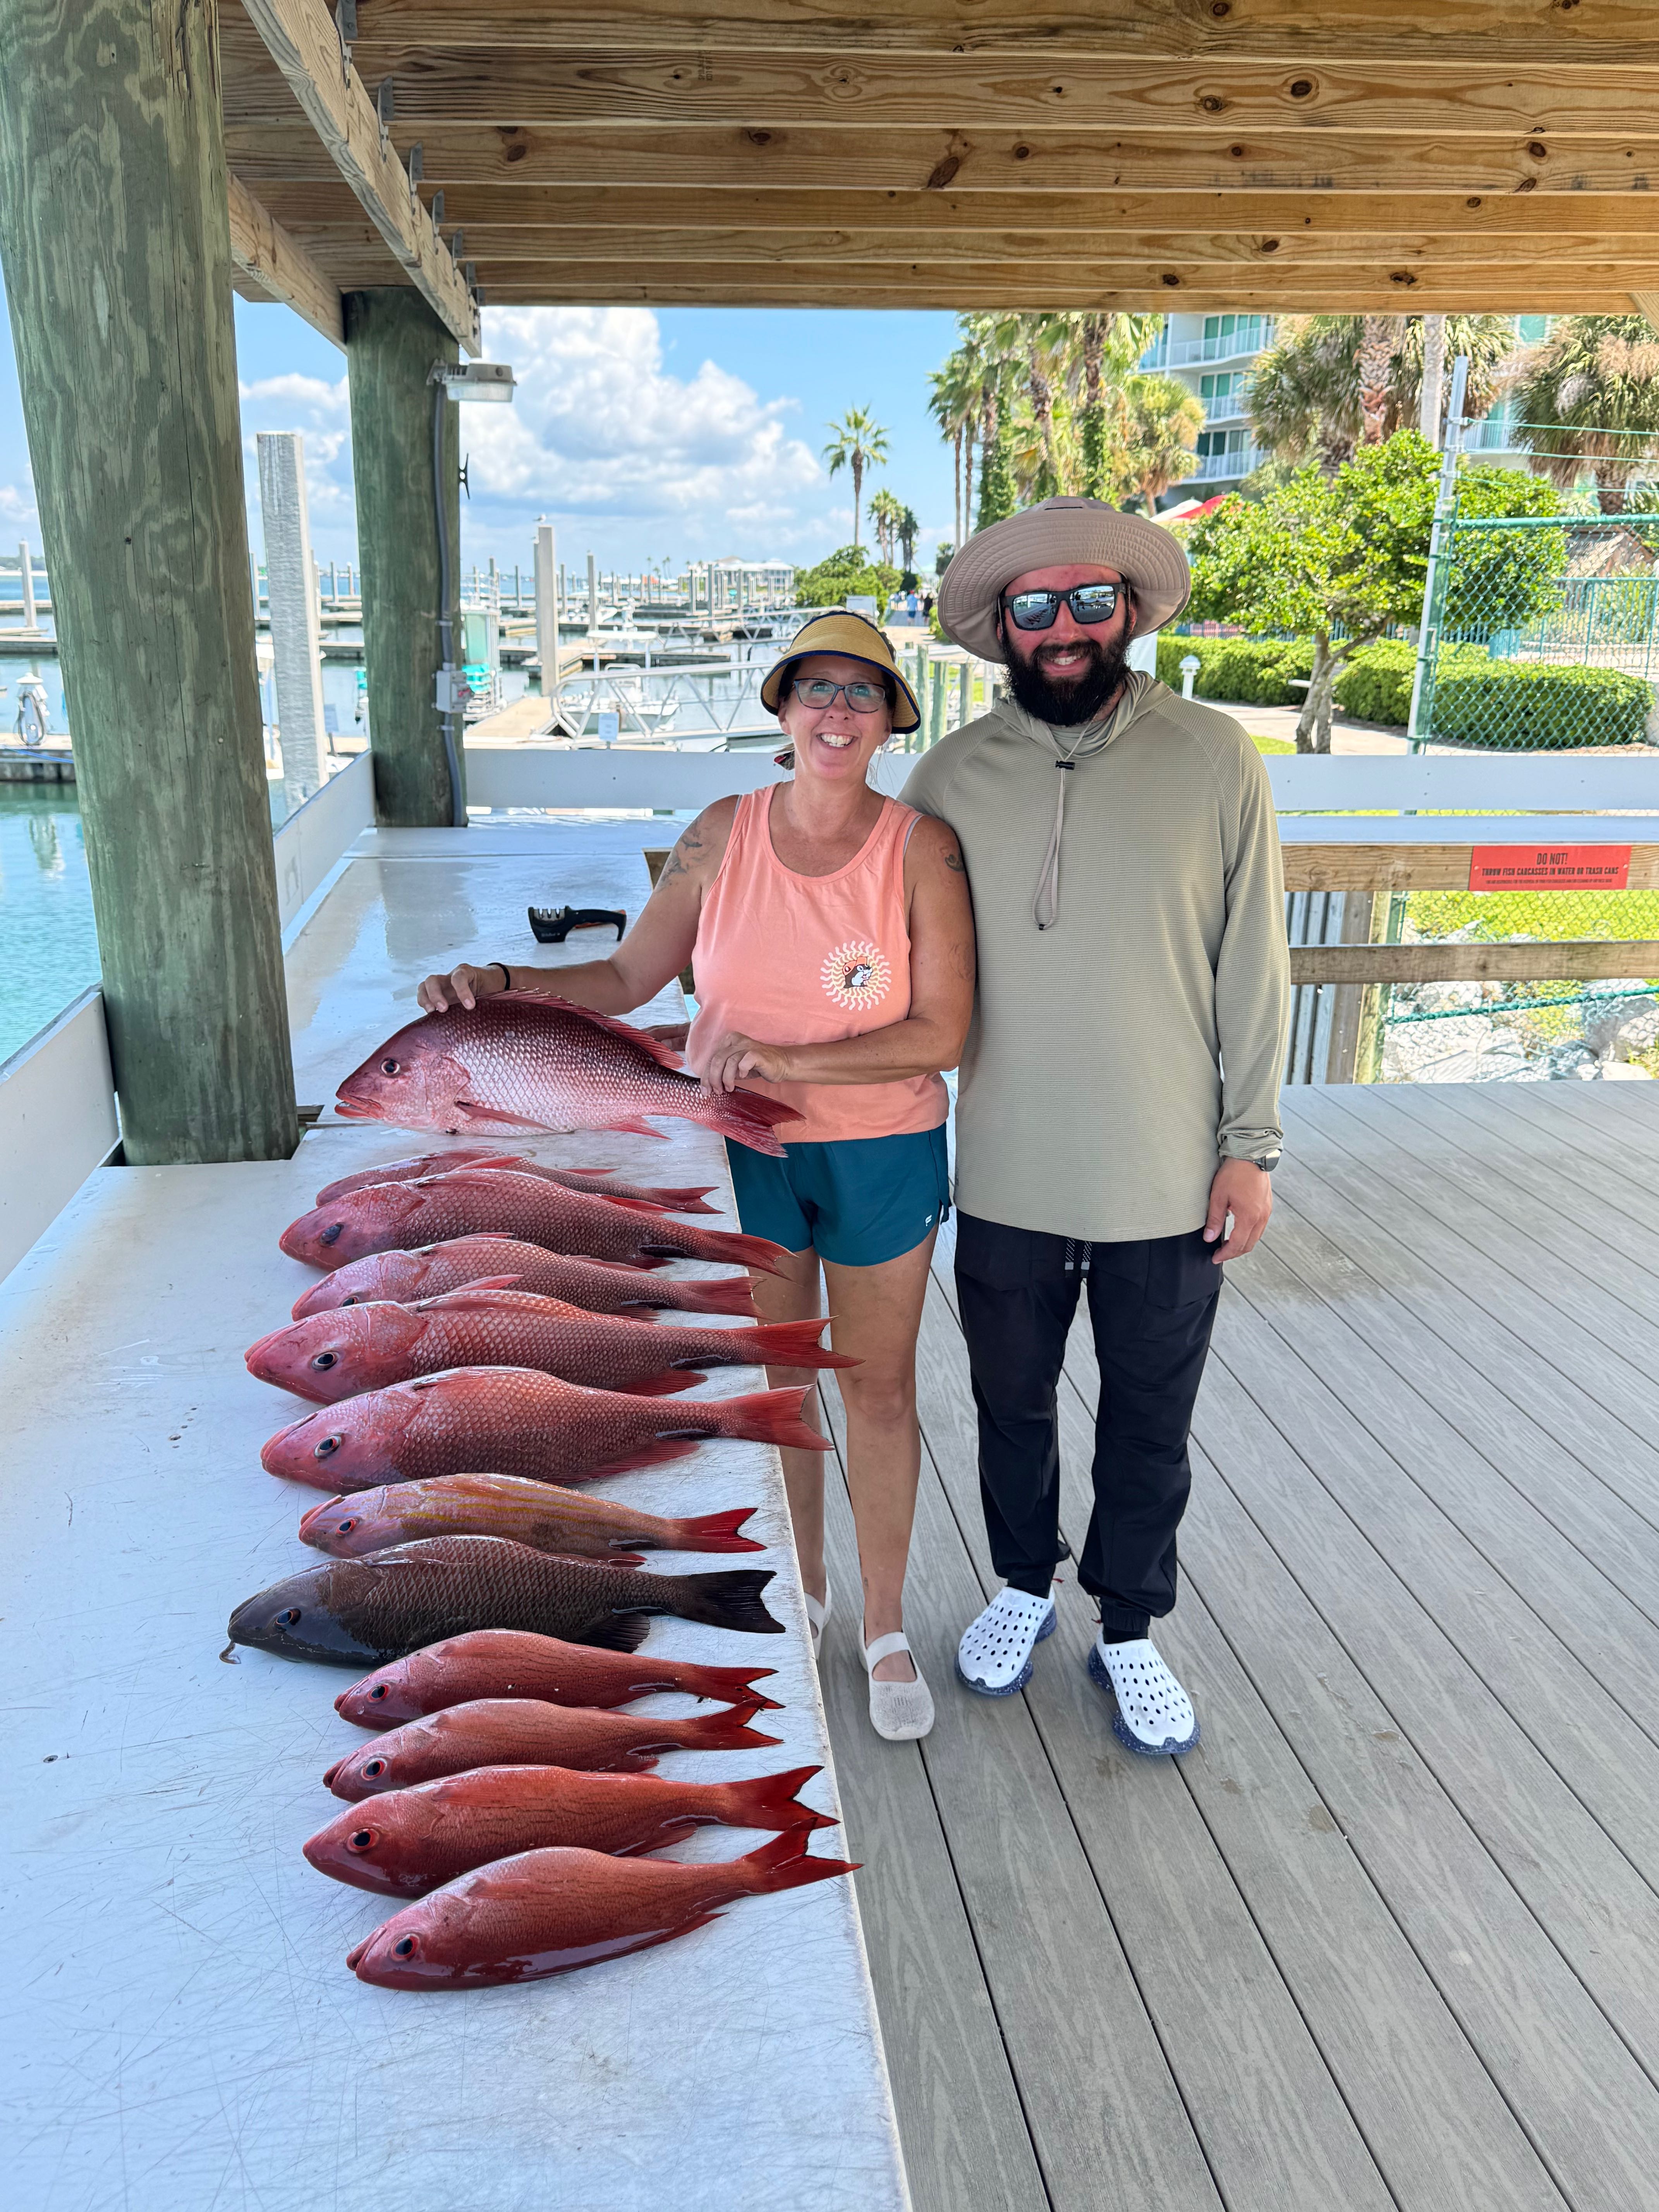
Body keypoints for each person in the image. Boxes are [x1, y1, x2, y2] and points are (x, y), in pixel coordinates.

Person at [416, 611, 975, 1743]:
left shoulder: (922, 848)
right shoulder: (722, 833)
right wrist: (506, 983)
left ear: (888, 720)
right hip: (738, 1150)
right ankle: (808, 1592)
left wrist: (792, 1061)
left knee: (876, 1387)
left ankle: (883, 1625)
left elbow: (943, 1031)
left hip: (879, 1148)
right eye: (814, 689)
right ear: (783, 709)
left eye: (861, 693)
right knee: (778, 1387)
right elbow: (630, 977)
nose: (835, 711)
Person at [902, 496, 1290, 1757]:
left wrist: (1250, 1146)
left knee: (1148, 1419)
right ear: (1002, 626)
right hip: (1007, 1161)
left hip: (1165, 1169)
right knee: (1008, 1402)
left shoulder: (1215, 756)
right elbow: (878, 947)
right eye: (1034, 605)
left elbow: (1254, 964)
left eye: (1087, 600)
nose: (1062, 626)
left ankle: (1129, 1624)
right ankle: (1022, 1583)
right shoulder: (949, 775)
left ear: (1126, 611)